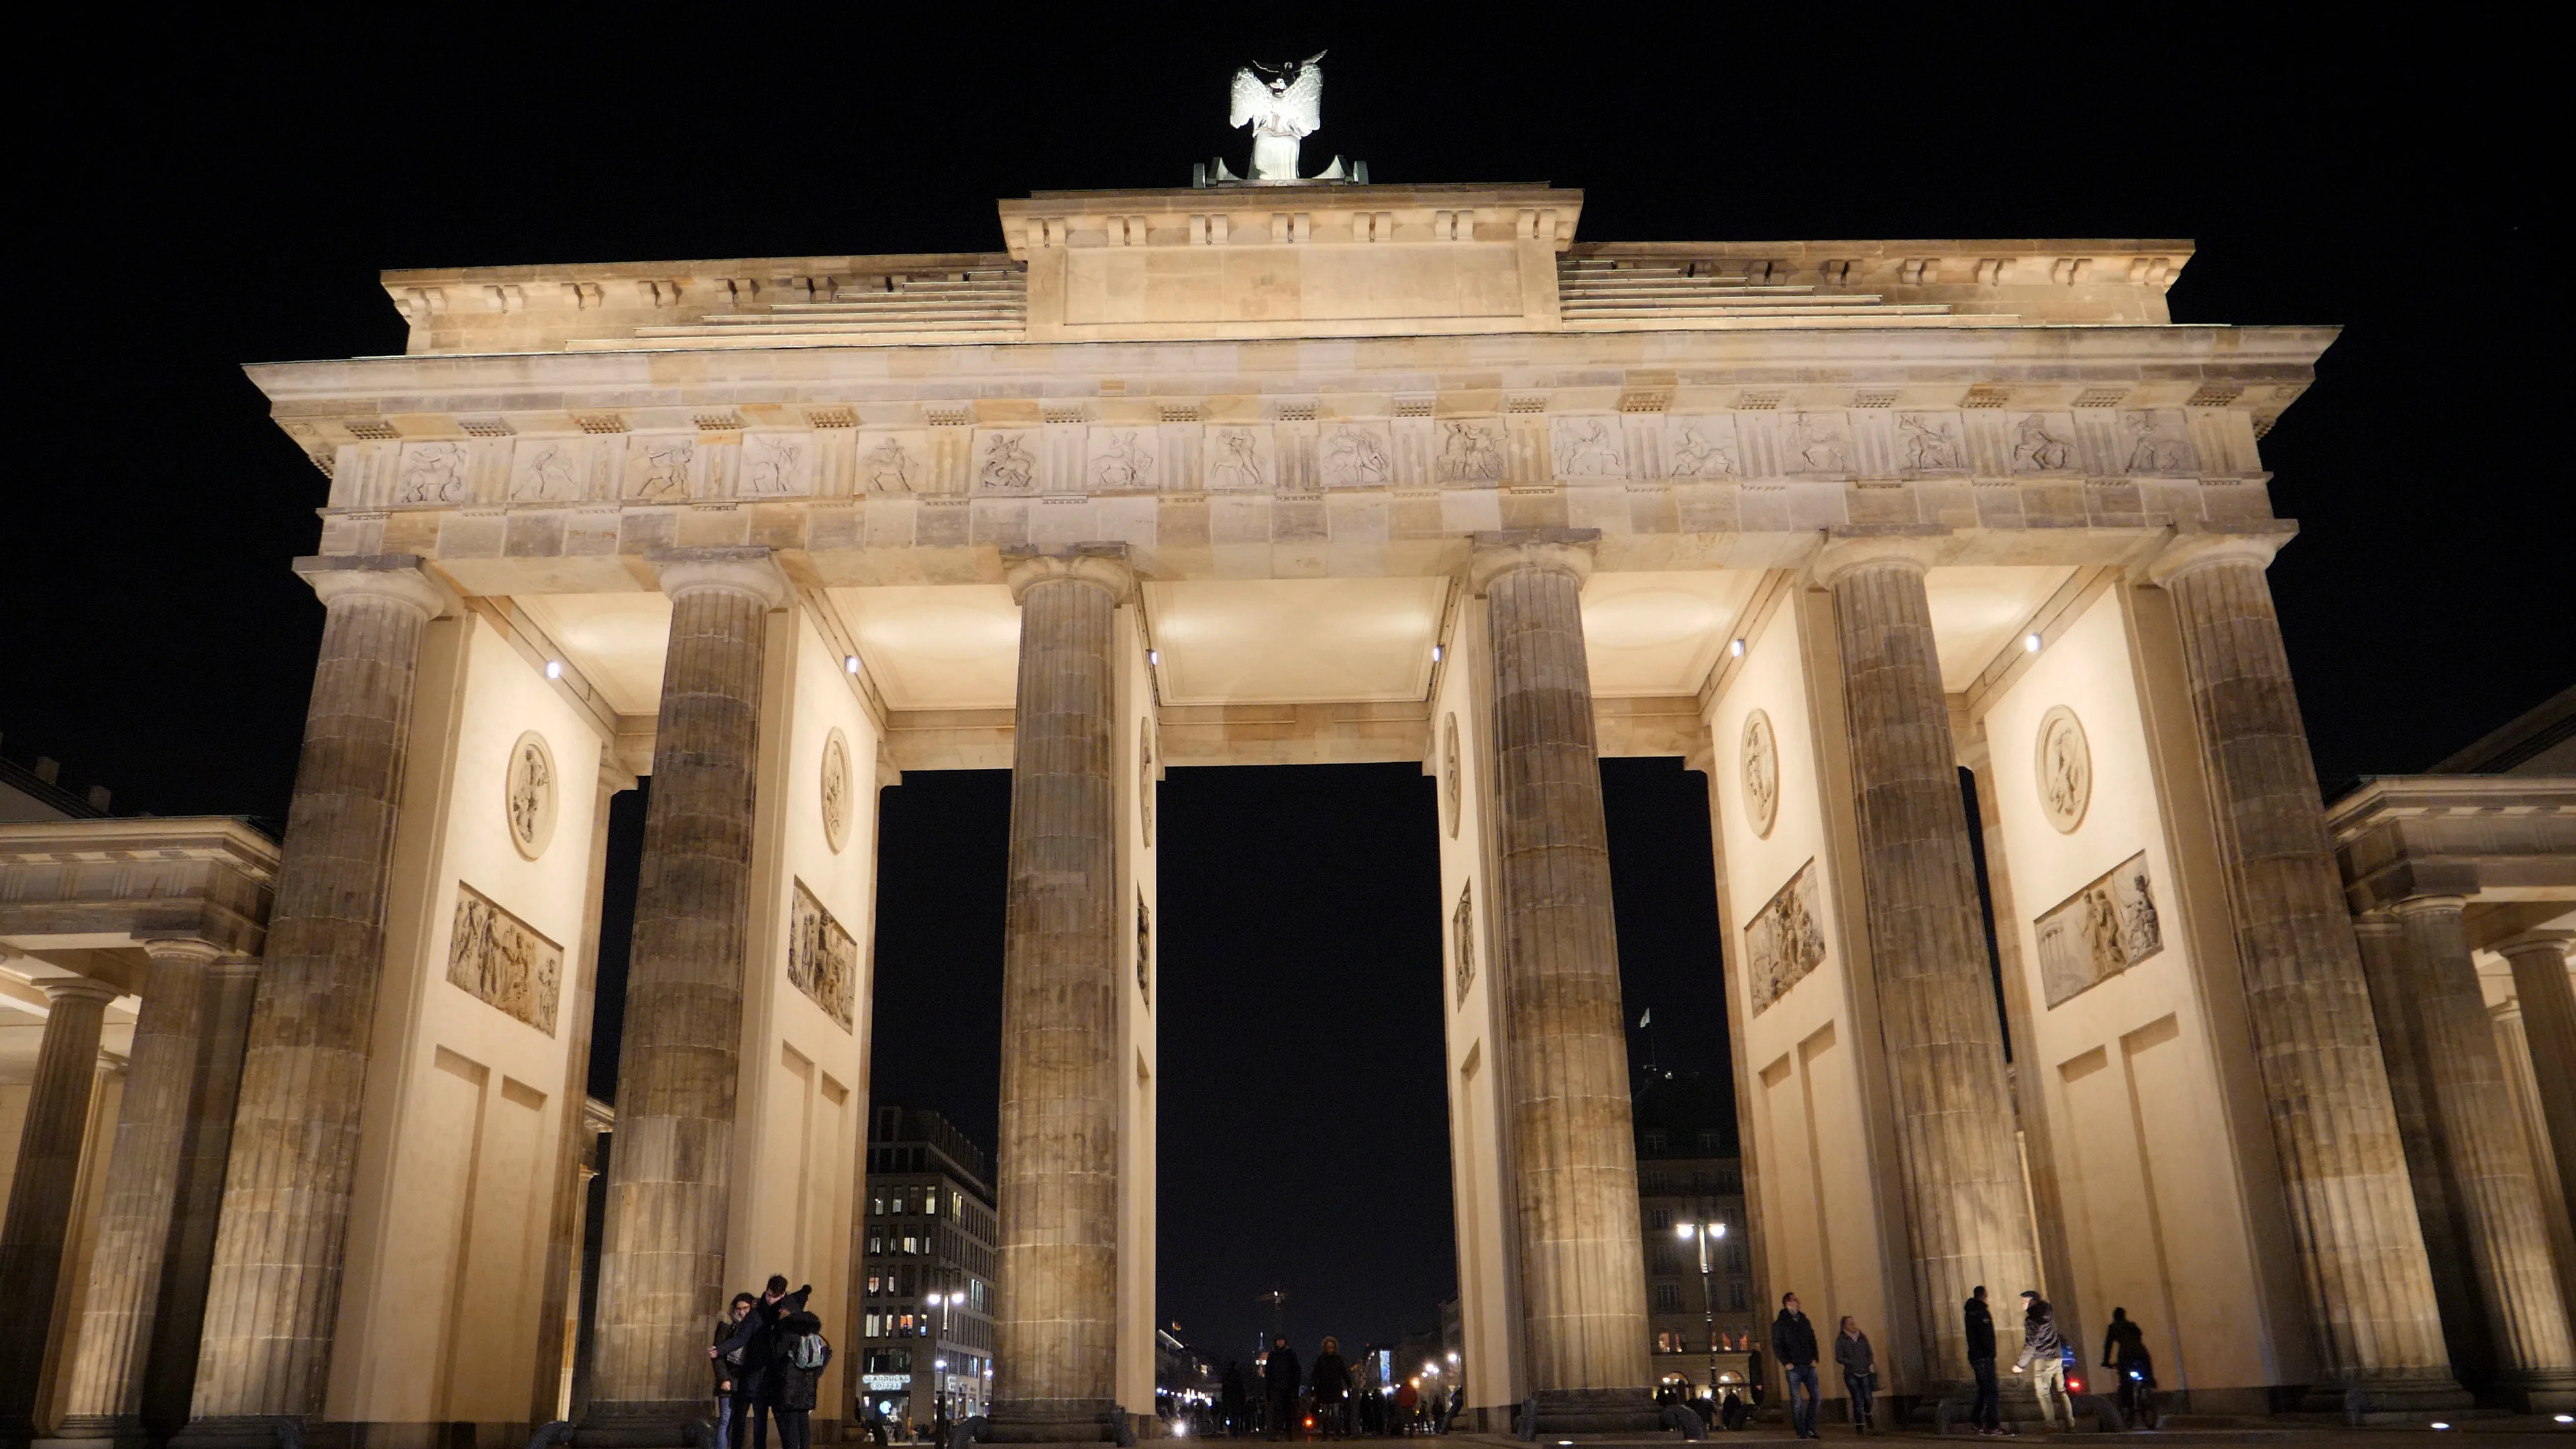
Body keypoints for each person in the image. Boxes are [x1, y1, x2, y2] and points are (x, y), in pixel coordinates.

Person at [710, 1275, 814, 1449]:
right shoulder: (757, 1314)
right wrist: (721, 1349)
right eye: (768, 1295)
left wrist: (805, 1291)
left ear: (782, 1295)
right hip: (752, 1373)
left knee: (766, 1421)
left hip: (772, 1376)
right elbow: (742, 1338)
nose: (770, 1300)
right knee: (741, 1420)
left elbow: (799, 1298)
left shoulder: (784, 1313)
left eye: (775, 1297)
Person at [2011, 1290, 2074, 1432]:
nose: (2022, 1304)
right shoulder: (2048, 1314)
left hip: (2043, 1359)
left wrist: (2021, 1365)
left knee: (2043, 1392)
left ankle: (2051, 1424)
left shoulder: (2032, 1320)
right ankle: (2071, 1424)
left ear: (2033, 1301)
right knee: (2061, 1391)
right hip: (2057, 1357)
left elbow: (2031, 1344)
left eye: (2024, 1301)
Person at [773, 1307, 833, 1449]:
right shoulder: (815, 1338)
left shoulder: (789, 1335)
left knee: (792, 1423)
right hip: (808, 1387)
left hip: (790, 1386)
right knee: (804, 1421)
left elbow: (777, 1354)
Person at [1770, 1291, 1821, 1441]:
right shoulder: (1780, 1324)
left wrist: (1815, 1358)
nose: (1798, 1302)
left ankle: (1810, 1427)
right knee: (1797, 1401)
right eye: (1795, 1300)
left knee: (1816, 1397)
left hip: (1808, 1364)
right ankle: (1801, 1430)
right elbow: (1777, 1345)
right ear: (1788, 1303)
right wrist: (1786, 1362)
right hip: (1793, 1367)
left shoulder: (1804, 1321)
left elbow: (1812, 1340)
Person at [714, 1293, 757, 1449]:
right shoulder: (727, 1324)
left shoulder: (754, 1327)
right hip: (729, 1377)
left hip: (745, 1379)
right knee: (725, 1419)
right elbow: (717, 1354)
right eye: (739, 1309)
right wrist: (723, 1378)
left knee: (739, 1421)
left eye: (746, 1308)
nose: (742, 1312)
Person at [2101, 1307, 2156, 1426]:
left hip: (2126, 1355)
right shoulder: (2132, 1325)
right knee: (2146, 1372)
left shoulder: (2114, 1327)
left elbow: (2108, 1346)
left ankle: (2128, 1408)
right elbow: (2139, 1336)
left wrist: (2105, 1361)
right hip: (2142, 1353)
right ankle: (2150, 1382)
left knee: (2125, 1382)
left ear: (2115, 1317)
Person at [1964, 1285, 2000, 1437]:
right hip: (1984, 1357)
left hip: (1976, 1356)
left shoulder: (1970, 1312)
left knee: (1983, 1390)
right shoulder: (1981, 1312)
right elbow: (1985, 1336)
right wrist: (1991, 1353)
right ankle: (1992, 1425)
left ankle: (1976, 1421)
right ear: (1984, 1295)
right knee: (1991, 1390)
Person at [1833, 1316, 1876, 1434]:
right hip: (1851, 1373)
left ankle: (1868, 1414)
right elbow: (1839, 1357)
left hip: (1865, 1372)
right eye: (1849, 1323)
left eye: (1853, 1322)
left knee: (1868, 1397)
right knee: (1857, 1399)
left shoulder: (1862, 1337)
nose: (1853, 1325)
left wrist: (1868, 1362)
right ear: (1844, 1326)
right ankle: (1860, 1424)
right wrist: (1851, 1363)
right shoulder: (1841, 1340)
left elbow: (1869, 1352)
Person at [1311, 1336, 1350, 1440]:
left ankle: (1336, 1434)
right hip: (1324, 1390)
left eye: (1332, 1347)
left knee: (1336, 1413)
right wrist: (1314, 1389)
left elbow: (1344, 1373)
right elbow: (1315, 1375)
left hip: (1335, 1389)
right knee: (1325, 1414)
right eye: (1329, 1347)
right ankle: (1325, 1434)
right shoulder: (1321, 1359)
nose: (1330, 1349)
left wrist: (1350, 1385)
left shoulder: (1338, 1359)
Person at [1264, 1335, 1301, 1441]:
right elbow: (1269, 1373)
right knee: (1278, 1410)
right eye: (1278, 1341)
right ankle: (1279, 1432)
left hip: (1288, 1387)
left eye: (1282, 1341)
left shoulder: (1290, 1354)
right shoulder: (1273, 1355)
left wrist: (1295, 1386)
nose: (1280, 1343)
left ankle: (1288, 1432)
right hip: (1276, 1387)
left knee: (1288, 1411)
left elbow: (1296, 1371)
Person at [1222, 1360, 1248, 1437]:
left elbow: (1224, 1388)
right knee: (1236, 1415)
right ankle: (1235, 1430)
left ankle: (1231, 1429)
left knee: (1231, 1414)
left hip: (1229, 1398)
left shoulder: (1227, 1376)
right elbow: (1241, 1388)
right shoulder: (1237, 1375)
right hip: (1236, 1398)